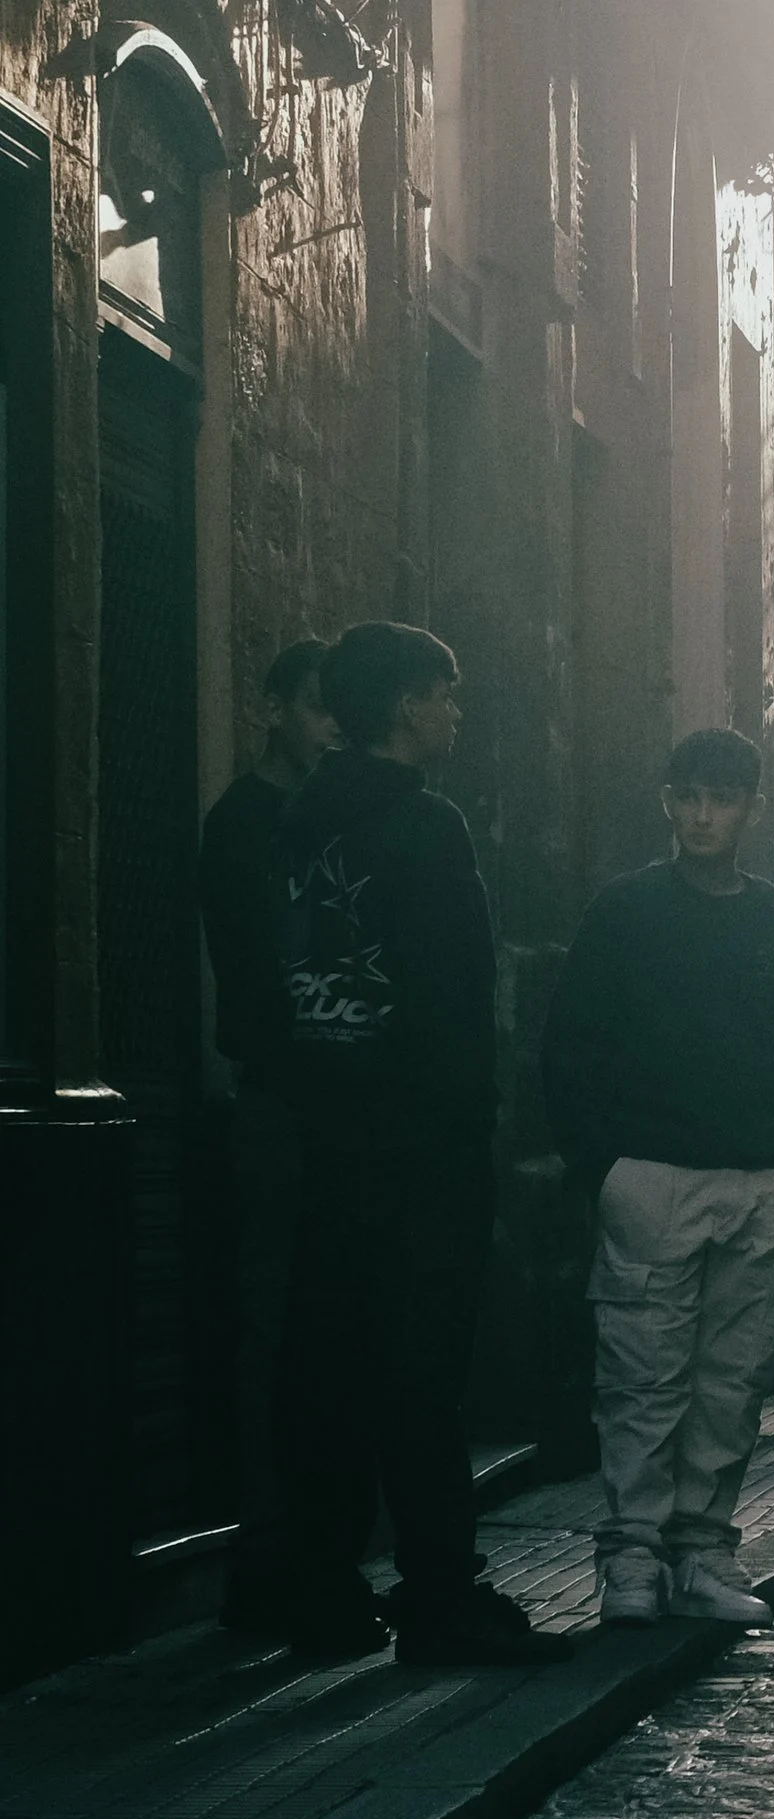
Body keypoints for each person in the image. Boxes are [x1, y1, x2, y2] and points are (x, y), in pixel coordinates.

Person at [273, 622, 568, 1667]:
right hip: (418, 1142)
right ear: (406, 705)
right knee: (423, 1369)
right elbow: (452, 995)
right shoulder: (427, 826)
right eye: (445, 693)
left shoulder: (303, 821)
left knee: (332, 1363)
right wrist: (468, 1124)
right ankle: (441, 1596)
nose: (456, 712)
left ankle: (321, 1589)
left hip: (323, 1130)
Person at [542, 728, 774, 1628]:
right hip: (653, 1177)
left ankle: (700, 1549)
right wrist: (601, 1164)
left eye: (720, 797)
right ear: (668, 803)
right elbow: (572, 1046)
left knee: (734, 1379)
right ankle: (634, 1555)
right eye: (688, 797)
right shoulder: (624, 913)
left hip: (764, 1184)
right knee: (642, 1376)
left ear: (750, 806)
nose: (702, 814)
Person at [197, 639, 337, 1635]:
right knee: (268, 1328)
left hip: (334, 1108)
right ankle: (265, 1549)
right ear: (275, 705)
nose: (330, 726)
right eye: (317, 707)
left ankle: (314, 1548)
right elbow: (253, 976)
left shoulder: (333, 820)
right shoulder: (243, 824)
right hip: (278, 1100)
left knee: (325, 1326)